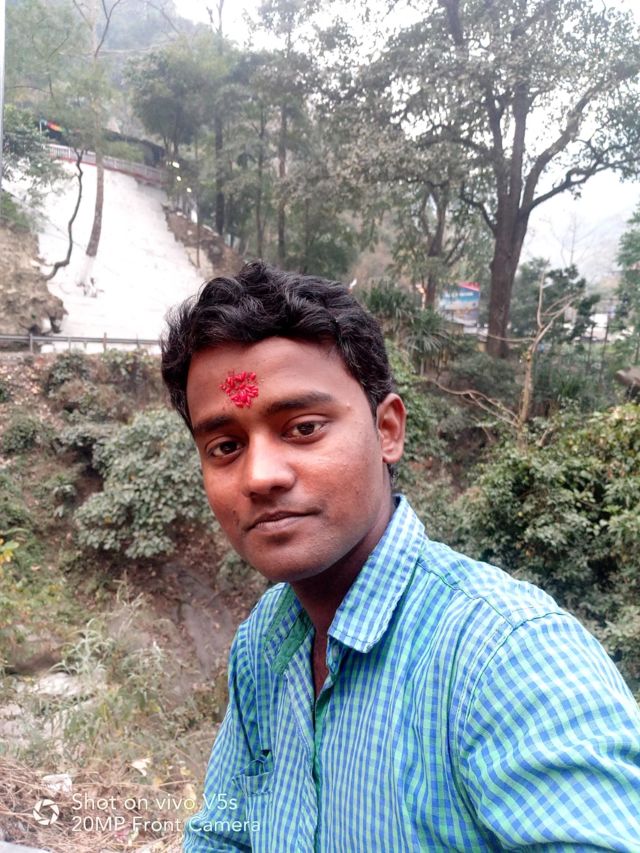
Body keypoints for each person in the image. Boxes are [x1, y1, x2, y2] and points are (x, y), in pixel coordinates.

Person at [161, 261, 640, 852]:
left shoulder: (506, 657)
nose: (260, 476)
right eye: (225, 446)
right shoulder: (266, 642)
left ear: (387, 430)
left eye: (303, 428)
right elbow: (222, 834)